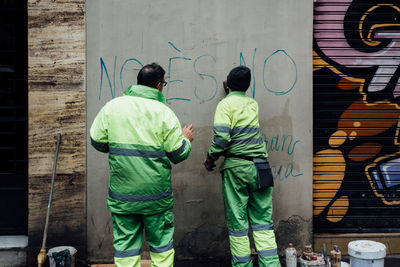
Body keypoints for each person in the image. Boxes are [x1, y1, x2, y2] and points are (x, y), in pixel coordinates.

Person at [90, 63, 193, 267]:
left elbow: (97, 140)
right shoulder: (164, 112)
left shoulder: (113, 107)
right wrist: (186, 139)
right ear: (158, 86)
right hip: (156, 198)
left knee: (125, 250)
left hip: (123, 196)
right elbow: (178, 154)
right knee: (161, 247)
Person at [204, 66, 280, 267]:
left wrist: (210, 158)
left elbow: (221, 138)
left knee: (238, 225)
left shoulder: (225, 105)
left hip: (237, 168)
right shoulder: (252, 104)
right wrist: (231, 89)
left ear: (227, 84)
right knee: (263, 224)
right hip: (261, 168)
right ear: (247, 85)